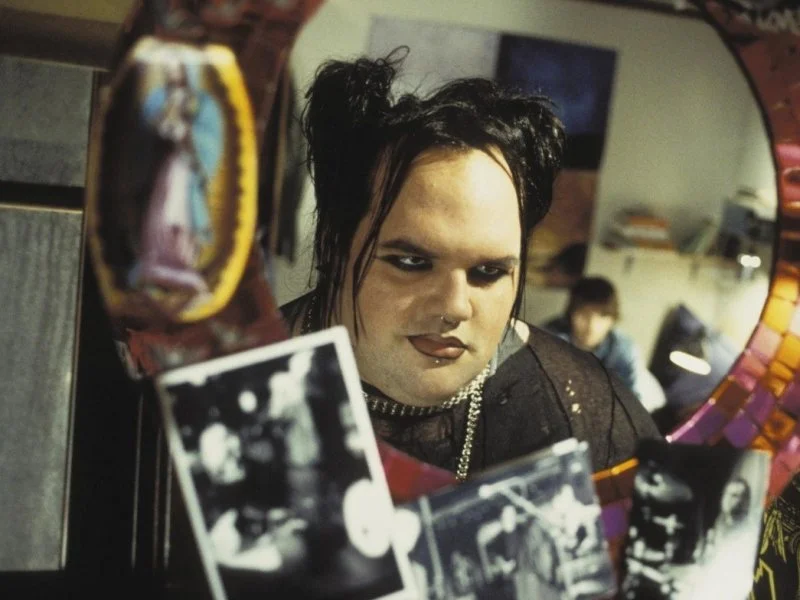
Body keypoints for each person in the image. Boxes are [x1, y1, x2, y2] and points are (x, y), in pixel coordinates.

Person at [281, 51, 660, 482]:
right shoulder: (238, 382)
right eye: (412, 262)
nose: (455, 306)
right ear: (335, 247)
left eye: (488, 272)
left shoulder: (587, 418)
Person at [542, 276, 644, 402]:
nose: (592, 326)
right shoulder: (550, 337)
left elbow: (630, 400)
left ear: (612, 319)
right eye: (584, 315)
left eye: (602, 316)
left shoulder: (622, 349)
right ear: (571, 314)